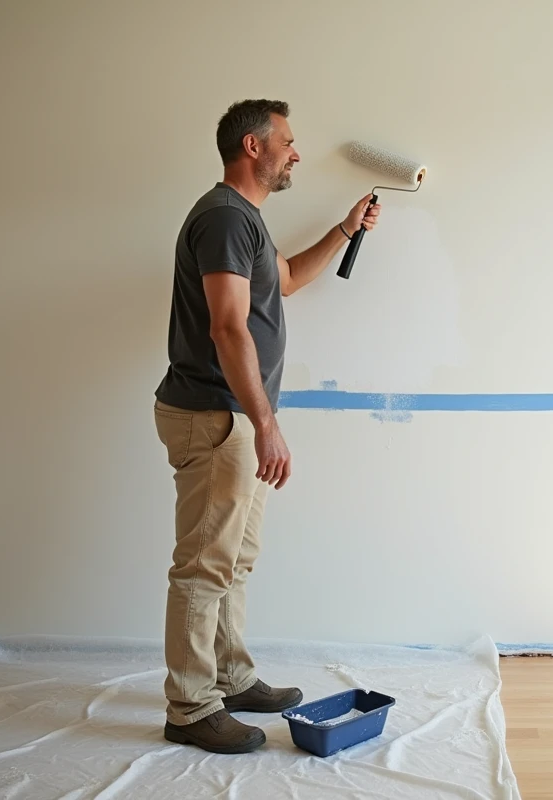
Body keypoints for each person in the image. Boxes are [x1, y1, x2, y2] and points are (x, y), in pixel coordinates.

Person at [153, 99, 380, 754]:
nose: (296, 152)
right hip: (216, 415)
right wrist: (265, 424)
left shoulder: (244, 219)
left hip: (235, 417)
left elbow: (284, 281)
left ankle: (228, 677)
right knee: (204, 565)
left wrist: (344, 229)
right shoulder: (225, 218)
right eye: (287, 141)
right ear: (252, 147)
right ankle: (190, 707)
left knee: (235, 559)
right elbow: (228, 328)